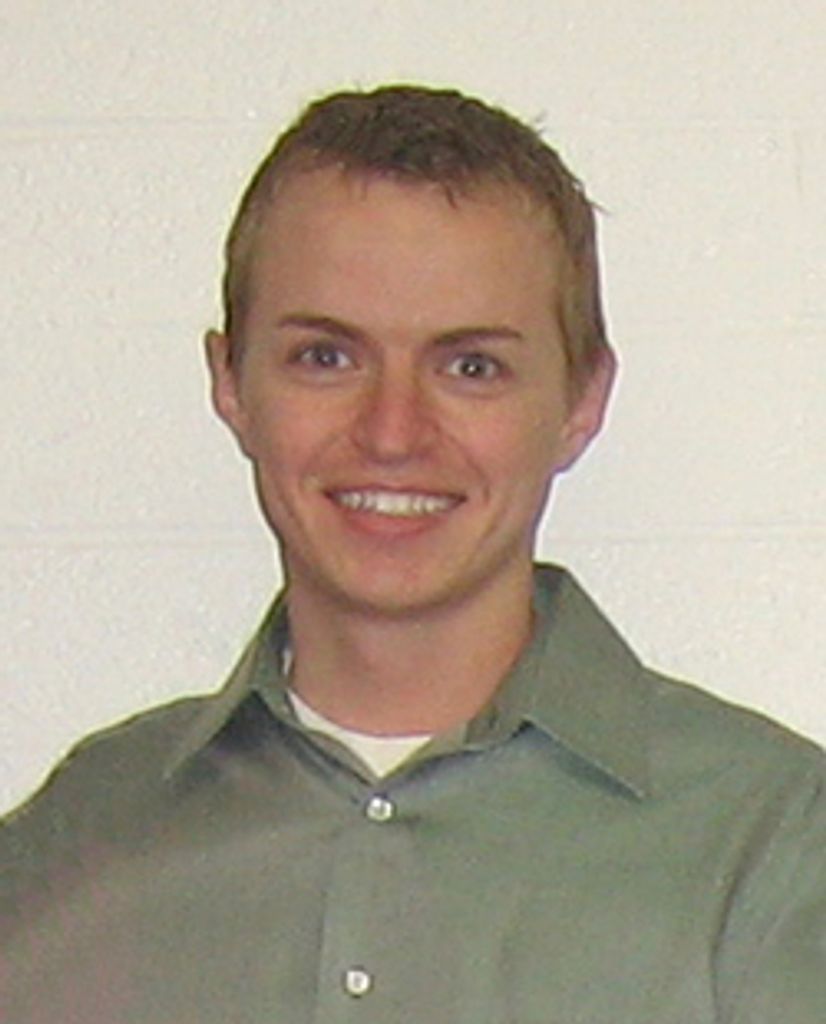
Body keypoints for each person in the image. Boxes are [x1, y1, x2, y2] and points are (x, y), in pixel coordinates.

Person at [2, 84, 824, 1024]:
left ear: (581, 401)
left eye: (471, 367)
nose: (392, 432)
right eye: (326, 357)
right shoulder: (72, 848)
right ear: (231, 383)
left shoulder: (776, 851)